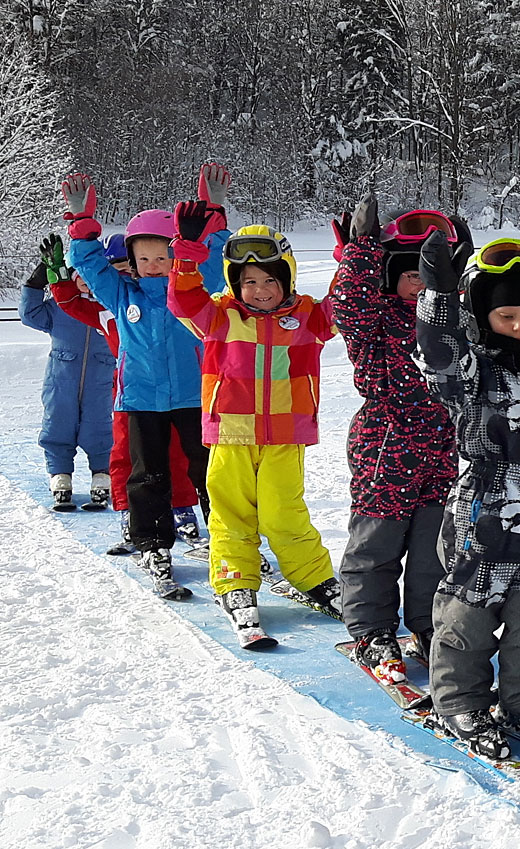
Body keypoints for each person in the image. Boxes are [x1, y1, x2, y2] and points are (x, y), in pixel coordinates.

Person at [406, 220, 520, 762]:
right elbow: (437, 351)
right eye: (505, 315)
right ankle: (459, 697)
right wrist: (438, 296)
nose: (517, 326)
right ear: (481, 317)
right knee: (469, 614)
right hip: (482, 516)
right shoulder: (470, 372)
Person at [164, 199, 342, 649]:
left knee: (286, 513)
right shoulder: (218, 317)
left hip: (286, 434)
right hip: (230, 433)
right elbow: (182, 298)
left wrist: (352, 263)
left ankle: (315, 579)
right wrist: (187, 252)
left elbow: (345, 306)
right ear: (233, 284)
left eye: (269, 280)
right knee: (232, 513)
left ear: (287, 278)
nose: (260, 290)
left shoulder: (307, 317)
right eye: (249, 282)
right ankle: (235, 582)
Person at [62, 165, 231, 599]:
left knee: (210, 472)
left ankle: (228, 540)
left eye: (163, 257)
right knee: (147, 475)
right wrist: (82, 226)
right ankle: (153, 544)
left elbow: (213, 256)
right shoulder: (123, 295)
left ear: (176, 257)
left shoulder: (194, 288)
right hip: (140, 400)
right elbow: (88, 264)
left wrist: (213, 211)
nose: (154, 266)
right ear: (133, 262)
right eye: (144, 259)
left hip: (195, 398)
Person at [327, 198, 461, 680]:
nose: (421, 285)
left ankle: (425, 624)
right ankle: (370, 629)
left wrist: (456, 270)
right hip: (385, 447)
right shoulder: (376, 324)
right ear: (390, 278)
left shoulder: (452, 326)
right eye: (411, 276)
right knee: (376, 545)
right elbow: (349, 305)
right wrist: (362, 252)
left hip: (440, 454)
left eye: (429, 276)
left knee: (433, 547)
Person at [51, 238, 207, 556]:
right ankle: (131, 515)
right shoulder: (109, 309)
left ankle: (183, 509)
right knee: (127, 458)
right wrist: (60, 282)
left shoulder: (163, 299)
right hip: (132, 395)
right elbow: (74, 303)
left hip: (179, 393)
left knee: (180, 454)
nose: (125, 275)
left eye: (126, 269)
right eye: (118, 269)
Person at [18, 233, 114, 512]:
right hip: (61, 381)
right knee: (58, 424)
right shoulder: (62, 308)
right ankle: (61, 476)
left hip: (101, 381)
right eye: (78, 274)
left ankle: (102, 475)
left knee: (99, 428)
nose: (85, 280)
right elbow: (30, 314)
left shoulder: (109, 309)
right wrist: (35, 283)